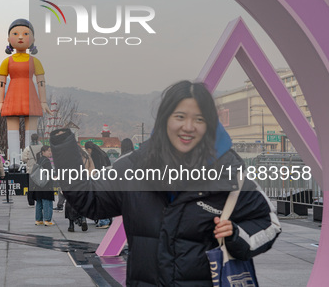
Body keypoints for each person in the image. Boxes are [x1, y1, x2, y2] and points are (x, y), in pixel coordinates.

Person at [50, 80, 281, 286]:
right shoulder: (134, 167)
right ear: (164, 120)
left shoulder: (230, 173)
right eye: (180, 117)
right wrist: (64, 149)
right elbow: (90, 200)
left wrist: (235, 235)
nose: (188, 127)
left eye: (199, 119)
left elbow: (269, 223)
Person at [0, 19, 52, 158]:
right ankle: (14, 160)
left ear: (33, 39)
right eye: (16, 33)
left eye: (25, 33)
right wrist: (0, 102)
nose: (20, 37)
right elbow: (1, 83)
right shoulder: (7, 61)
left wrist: (43, 102)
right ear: (8, 38)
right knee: (12, 132)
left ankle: (32, 159)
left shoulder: (35, 61)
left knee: (32, 133)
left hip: (31, 97)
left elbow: (41, 82)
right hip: (13, 97)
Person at [84, 141, 112, 228]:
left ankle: (104, 222)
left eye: (87, 150)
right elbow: (109, 165)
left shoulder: (93, 155)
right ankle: (107, 219)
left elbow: (93, 169)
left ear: (89, 149)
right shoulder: (102, 153)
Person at [33, 145, 55, 226]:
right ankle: (47, 219)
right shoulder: (47, 161)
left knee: (39, 202)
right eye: (48, 151)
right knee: (47, 202)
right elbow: (50, 173)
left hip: (38, 184)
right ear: (43, 152)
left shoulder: (39, 160)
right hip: (46, 185)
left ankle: (38, 220)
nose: (50, 152)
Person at [21, 133, 43, 206]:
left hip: (30, 170)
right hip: (39, 170)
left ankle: (31, 202)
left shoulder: (28, 148)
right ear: (38, 138)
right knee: (40, 186)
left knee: (30, 187)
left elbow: (23, 159)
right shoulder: (42, 147)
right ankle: (39, 200)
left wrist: (30, 160)